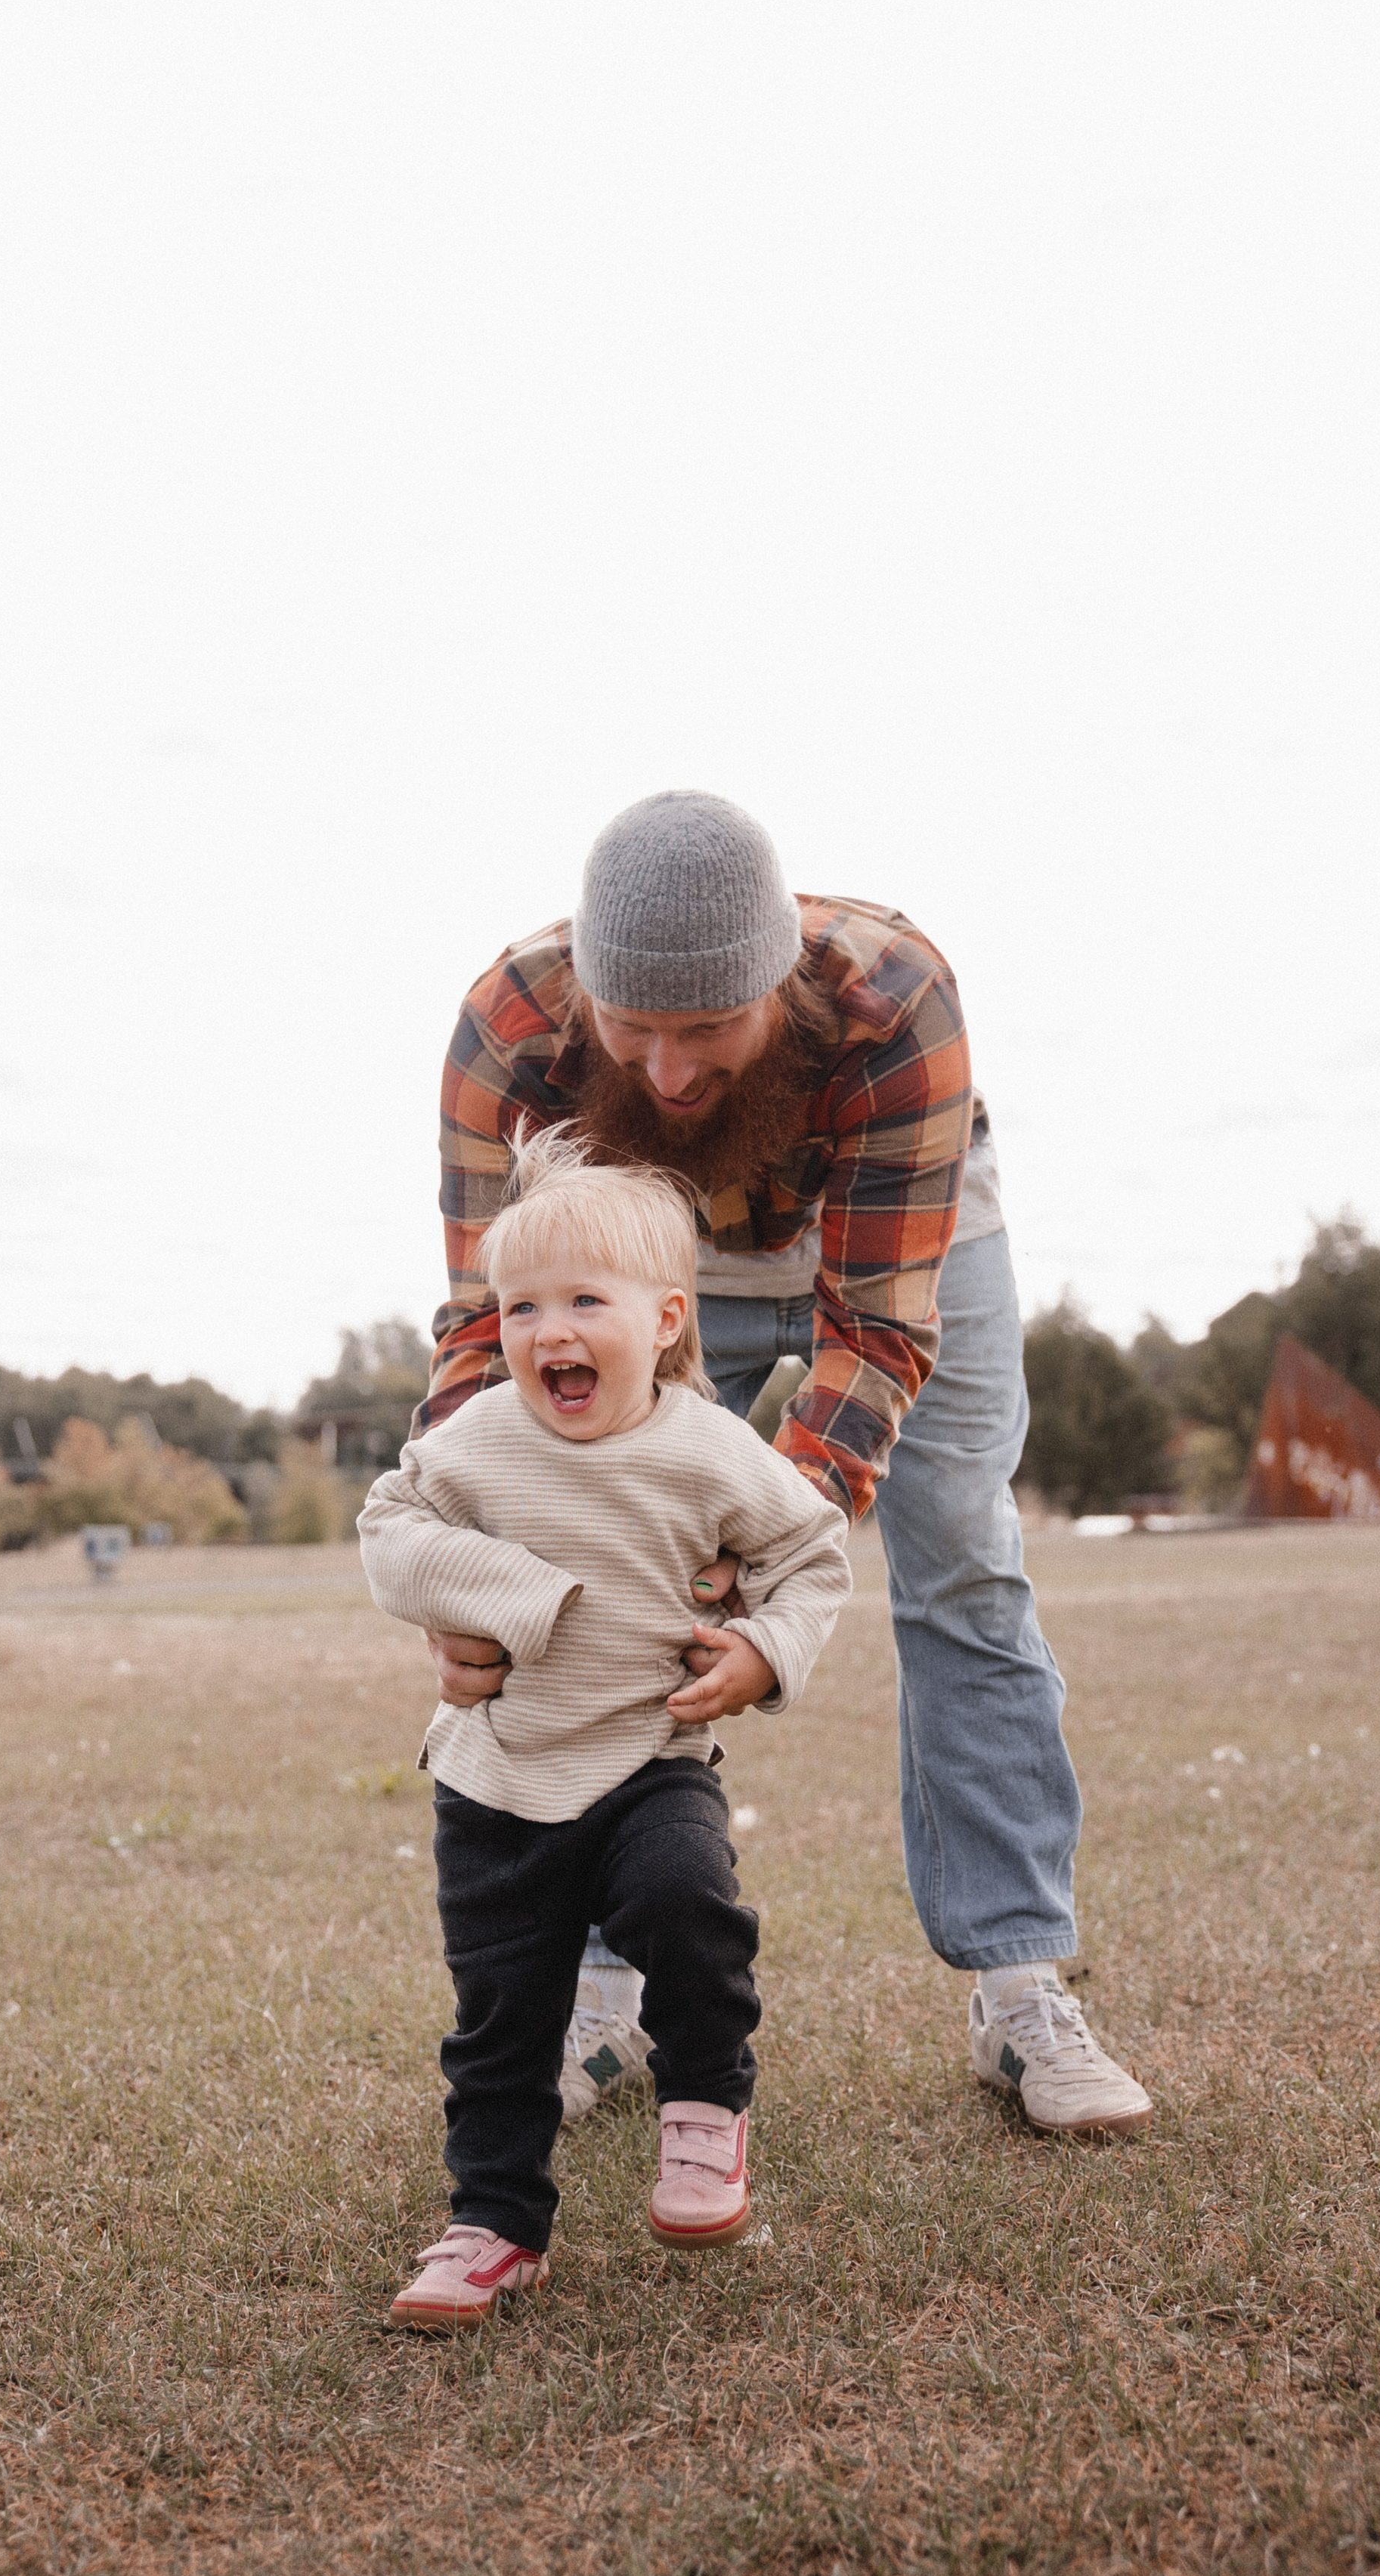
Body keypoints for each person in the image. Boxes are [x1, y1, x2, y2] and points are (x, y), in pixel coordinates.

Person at [415, 789, 1152, 2142]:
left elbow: (872, 1336)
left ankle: (1019, 1987)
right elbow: (483, 1331)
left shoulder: (896, 1004)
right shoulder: (509, 1030)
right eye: (633, 1031)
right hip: (638, 1250)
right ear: (583, 993)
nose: (671, 1072)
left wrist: (770, 1583)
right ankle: (598, 1989)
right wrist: (475, 1571)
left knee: (965, 1568)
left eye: (707, 1031)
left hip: (887, 1228)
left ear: (781, 991)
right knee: (577, 1560)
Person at [358, 1130, 851, 2330]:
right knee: (502, 2018)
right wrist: (504, 1597)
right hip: (496, 1781)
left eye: (586, 1300)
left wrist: (760, 1653)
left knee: (691, 1906)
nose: (548, 1332)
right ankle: (493, 2223)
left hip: (649, 1761)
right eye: (520, 1307)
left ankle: (704, 2114)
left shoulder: (709, 1448)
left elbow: (811, 1555)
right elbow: (387, 1527)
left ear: (669, 1320)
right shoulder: (475, 1440)